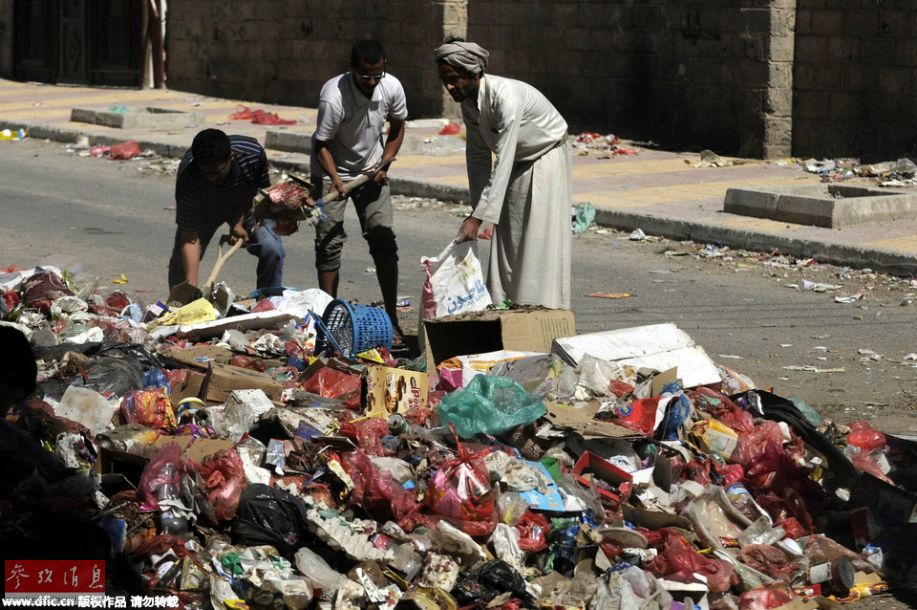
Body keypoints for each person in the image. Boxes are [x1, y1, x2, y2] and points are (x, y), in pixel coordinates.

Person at [434, 38, 572, 309]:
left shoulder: (505, 97)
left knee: (536, 237)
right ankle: (505, 306)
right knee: (508, 238)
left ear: (474, 73)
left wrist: (478, 217)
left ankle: (541, 308)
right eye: (445, 80)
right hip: (519, 159)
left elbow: (504, 157)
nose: (450, 87)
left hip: (546, 156)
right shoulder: (469, 103)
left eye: (454, 79)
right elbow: (477, 155)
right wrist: (477, 211)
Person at [311, 39, 407, 334]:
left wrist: (385, 163)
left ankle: (392, 318)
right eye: (366, 76)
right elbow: (321, 144)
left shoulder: (391, 87)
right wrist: (337, 180)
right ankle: (329, 321)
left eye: (378, 75)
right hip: (332, 170)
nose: (372, 82)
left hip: (371, 170)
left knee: (383, 241)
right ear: (352, 70)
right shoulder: (333, 97)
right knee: (329, 244)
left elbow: (398, 126)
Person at [167, 129, 285, 292]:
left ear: (231, 157)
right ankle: (180, 305)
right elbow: (190, 238)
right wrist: (190, 288)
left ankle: (267, 301)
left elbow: (260, 194)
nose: (212, 179)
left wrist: (238, 222)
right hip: (205, 210)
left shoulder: (252, 155)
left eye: (218, 172)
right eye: (206, 174)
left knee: (272, 248)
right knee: (181, 265)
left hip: (245, 205)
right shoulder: (188, 178)